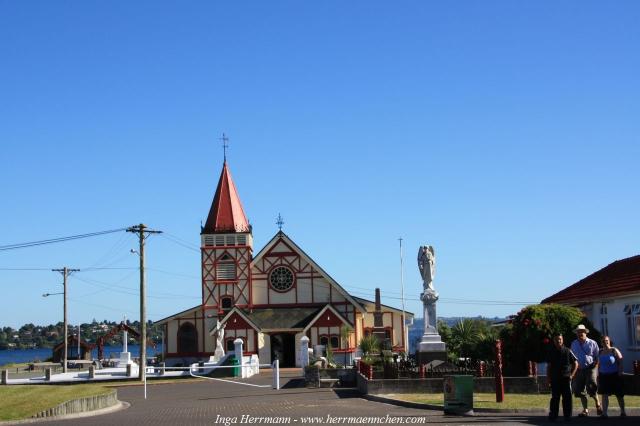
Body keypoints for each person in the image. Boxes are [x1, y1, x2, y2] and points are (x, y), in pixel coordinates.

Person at [570, 324, 602, 417]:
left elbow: (597, 356)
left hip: (590, 368)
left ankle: (598, 404)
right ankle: (585, 410)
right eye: (578, 332)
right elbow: (572, 357)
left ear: (585, 333)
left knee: (591, 386)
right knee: (579, 390)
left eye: (582, 332)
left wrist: (596, 366)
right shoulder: (574, 343)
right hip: (579, 369)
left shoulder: (592, 343)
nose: (580, 333)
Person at [546, 333, 578, 421]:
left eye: (560, 339)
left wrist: (572, 375)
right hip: (555, 379)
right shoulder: (551, 352)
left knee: (567, 398)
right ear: (554, 341)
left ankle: (567, 416)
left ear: (562, 340)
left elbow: (576, 363)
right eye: (556, 339)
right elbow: (548, 366)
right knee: (555, 398)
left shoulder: (568, 351)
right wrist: (548, 378)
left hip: (566, 378)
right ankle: (553, 415)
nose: (558, 341)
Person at [598, 336, 626, 418]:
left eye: (606, 341)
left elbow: (620, 360)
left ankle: (623, 411)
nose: (605, 342)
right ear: (601, 343)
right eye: (603, 341)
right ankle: (604, 413)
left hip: (614, 375)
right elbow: (598, 364)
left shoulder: (614, 350)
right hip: (603, 376)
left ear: (609, 341)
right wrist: (598, 374)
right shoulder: (600, 352)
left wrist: (620, 371)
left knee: (619, 394)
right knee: (604, 394)